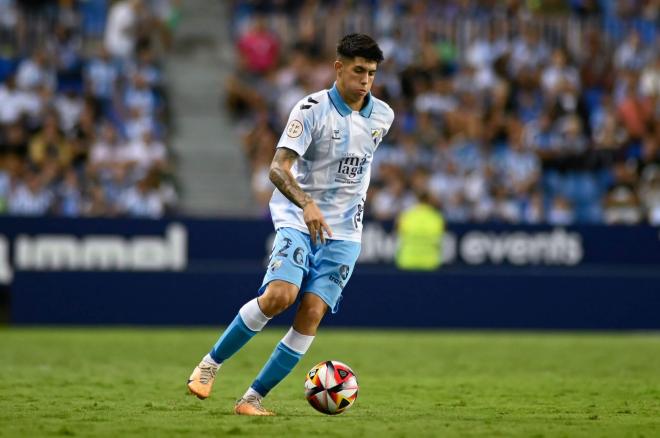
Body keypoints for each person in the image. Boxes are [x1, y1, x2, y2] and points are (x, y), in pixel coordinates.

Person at [187, 33, 394, 416]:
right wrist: (309, 203)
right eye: (358, 71)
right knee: (279, 296)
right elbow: (277, 169)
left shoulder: (383, 115)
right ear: (338, 67)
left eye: (372, 73)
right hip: (298, 216)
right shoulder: (310, 109)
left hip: (345, 231)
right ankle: (209, 365)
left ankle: (251, 399)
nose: (365, 80)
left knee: (312, 311)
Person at [395, 190, 445, 270]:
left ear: (417, 200)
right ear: (429, 201)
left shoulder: (406, 216)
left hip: (408, 261)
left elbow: (398, 233)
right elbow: (441, 237)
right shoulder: (437, 218)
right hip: (430, 262)